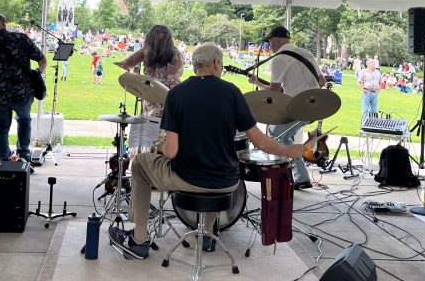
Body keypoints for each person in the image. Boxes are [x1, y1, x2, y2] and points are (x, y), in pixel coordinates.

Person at [108, 42, 306, 260]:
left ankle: (138, 240)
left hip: (187, 178)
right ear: (216, 63)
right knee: (211, 167)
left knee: (139, 165)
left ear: (194, 66)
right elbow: (260, 142)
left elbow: (172, 152)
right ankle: (208, 236)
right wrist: (290, 150)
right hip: (226, 181)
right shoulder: (232, 93)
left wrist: (161, 145)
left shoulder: (177, 95)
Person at [248, 25, 324, 190]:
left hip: (297, 107)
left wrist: (258, 86)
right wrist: (258, 82)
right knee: (281, 135)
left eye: (269, 43)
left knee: (277, 137)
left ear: (275, 40)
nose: (269, 46)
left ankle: (298, 177)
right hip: (315, 105)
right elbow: (322, 82)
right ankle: (293, 175)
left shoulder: (280, 58)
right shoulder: (307, 53)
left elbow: (275, 92)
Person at [0, 13, 46, 165]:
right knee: (24, 121)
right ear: (4, 22)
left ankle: (3, 160)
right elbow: (42, 59)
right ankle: (23, 155)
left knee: (1, 129)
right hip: (23, 93)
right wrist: (38, 74)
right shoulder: (21, 39)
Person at [115, 25, 184, 119]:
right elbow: (129, 63)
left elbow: (177, 72)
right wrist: (125, 63)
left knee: (156, 124)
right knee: (154, 124)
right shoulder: (146, 51)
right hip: (154, 92)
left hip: (164, 94)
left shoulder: (173, 53)